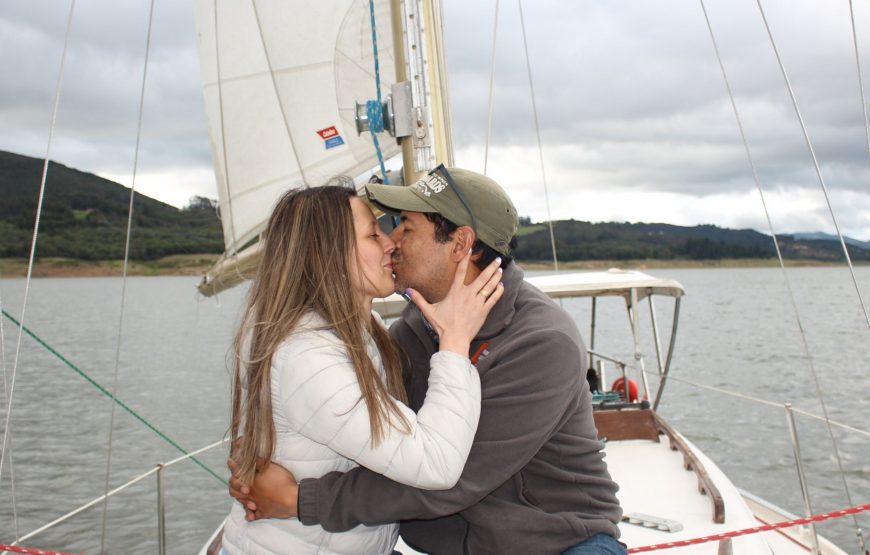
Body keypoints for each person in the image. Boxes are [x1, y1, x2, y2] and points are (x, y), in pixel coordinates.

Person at [229, 166, 625, 555]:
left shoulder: (541, 342)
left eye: (406, 227)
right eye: (380, 231)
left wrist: (299, 498)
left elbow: (453, 476)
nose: (392, 241)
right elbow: (347, 410)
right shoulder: (415, 326)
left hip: (557, 542)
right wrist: (266, 452)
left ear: (459, 244)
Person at [221, 184, 505, 555]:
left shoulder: (359, 331)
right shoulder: (308, 357)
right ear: (327, 253)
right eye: (373, 234)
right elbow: (435, 464)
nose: (390, 243)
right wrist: (454, 342)